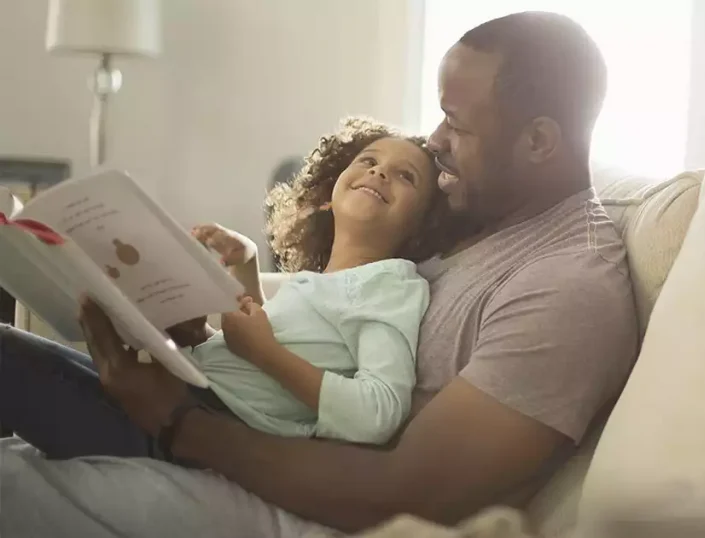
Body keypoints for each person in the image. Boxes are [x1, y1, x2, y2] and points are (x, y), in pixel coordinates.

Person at [0, 11, 639, 537]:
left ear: (538, 141)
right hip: (241, 431)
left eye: (458, 123)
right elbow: (329, 309)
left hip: (299, 497)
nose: (436, 140)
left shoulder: (568, 287)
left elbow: (407, 493)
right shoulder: (479, 214)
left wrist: (178, 422)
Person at [0, 118, 453, 462]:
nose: (378, 173)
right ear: (325, 195)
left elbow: (378, 413)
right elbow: (258, 350)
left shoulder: (390, 286)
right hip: (182, 391)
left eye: (404, 176)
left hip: (193, 425)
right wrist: (246, 262)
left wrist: (267, 355)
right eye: (368, 161)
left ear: (422, 228)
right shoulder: (323, 284)